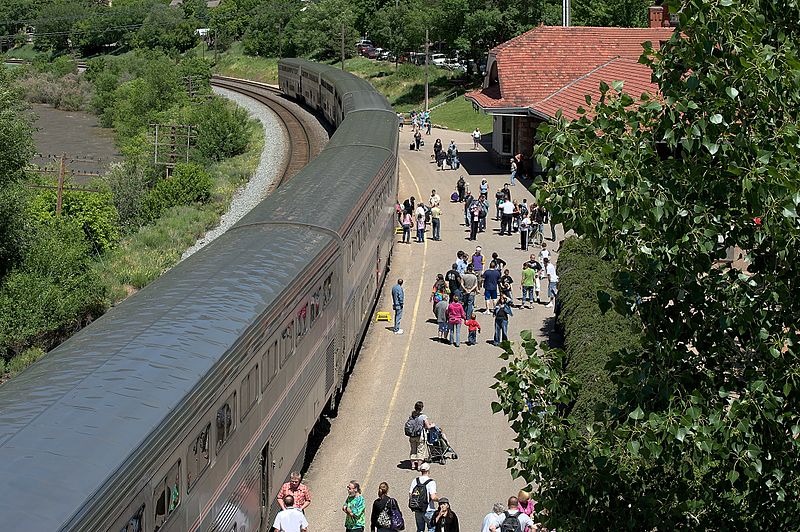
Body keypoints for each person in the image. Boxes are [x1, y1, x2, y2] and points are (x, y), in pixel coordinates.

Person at [409, 462, 438, 531]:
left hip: (418, 509)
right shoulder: (431, 482)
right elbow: (433, 497)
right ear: (428, 471)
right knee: (431, 529)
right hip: (428, 510)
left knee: (420, 529)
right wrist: (439, 500)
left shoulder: (415, 481)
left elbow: (410, 494)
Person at [408, 401, 433, 470]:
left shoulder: (412, 416)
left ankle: (413, 465)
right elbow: (427, 426)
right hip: (420, 436)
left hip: (412, 436)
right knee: (420, 450)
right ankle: (419, 466)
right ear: (421, 408)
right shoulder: (423, 417)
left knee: (413, 450)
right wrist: (432, 425)